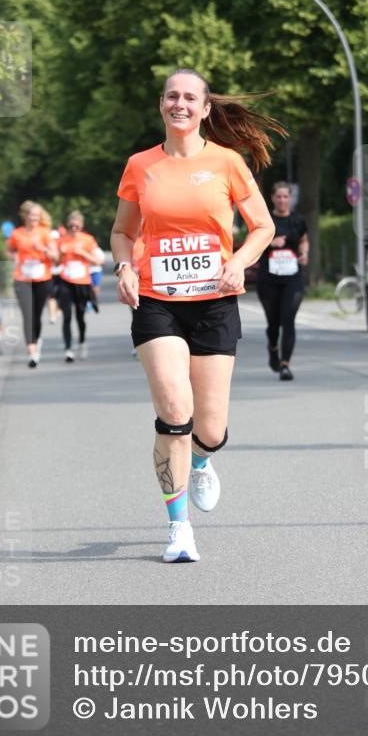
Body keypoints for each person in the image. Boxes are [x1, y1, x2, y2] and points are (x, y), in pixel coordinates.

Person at [111, 68, 284, 562]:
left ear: (206, 109)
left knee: (208, 430)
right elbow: (122, 231)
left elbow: (263, 227)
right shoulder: (140, 165)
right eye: (171, 96)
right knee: (174, 412)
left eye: (190, 97)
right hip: (157, 300)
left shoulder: (227, 163)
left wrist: (237, 261)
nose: (179, 104)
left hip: (213, 301)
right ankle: (179, 528)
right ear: (161, 105)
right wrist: (124, 265)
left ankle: (202, 462)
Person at [256, 181, 309, 381]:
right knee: (273, 323)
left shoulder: (298, 220)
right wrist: (271, 242)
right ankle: (273, 348)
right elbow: (252, 243)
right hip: (269, 279)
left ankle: (285, 364)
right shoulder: (264, 221)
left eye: (286, 196)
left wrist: (304, 254)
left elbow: (304, 239)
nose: (282, 200)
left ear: (290, 198)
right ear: (272, 198)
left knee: (288, 319)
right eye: (278, 196)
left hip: (292, 277)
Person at [6, 201, 57, 368]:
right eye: (32, 215)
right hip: (22, 278)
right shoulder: (17, 233)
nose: (35, 218)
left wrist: (41, 248)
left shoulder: (45, 233)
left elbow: (55, 257)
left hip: (43, 278)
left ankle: (36, 339)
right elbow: (9, 249)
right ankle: (31, 349)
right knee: (27, 314)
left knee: (36, 313)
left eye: (37, 215)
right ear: (25, 216)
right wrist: (12, 257)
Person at [56, 210, 104, 362]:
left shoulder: (88, 240)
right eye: (71, 226)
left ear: (81, 226)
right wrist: (60, 254)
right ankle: (68, 349)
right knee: (66, 315)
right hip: (66, 280)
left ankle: (82, 342)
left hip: (82, 282)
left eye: (77, 226)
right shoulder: (61, 240)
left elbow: (98, 261)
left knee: (80, 315)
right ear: (67, 225)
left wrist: (84, 253)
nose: (74, 229)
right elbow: (56, 262)